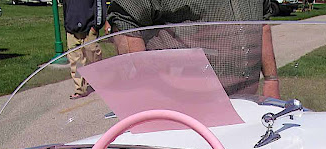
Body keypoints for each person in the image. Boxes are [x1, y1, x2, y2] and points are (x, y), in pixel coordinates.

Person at [107, 0, 280, 99]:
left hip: (246, 103)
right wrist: (148, 94)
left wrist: (271, 81)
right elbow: (126, 20)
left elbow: (262, 23)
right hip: (186, 110)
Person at [63, 0, 107, 99]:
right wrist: (67, 25)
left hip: (90, 28)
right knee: (76, 61)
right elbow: (65, 7)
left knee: (93, 56)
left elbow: (99, 5)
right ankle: (80, 89)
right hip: (72, 29)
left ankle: (98, 83)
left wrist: (96, 26)